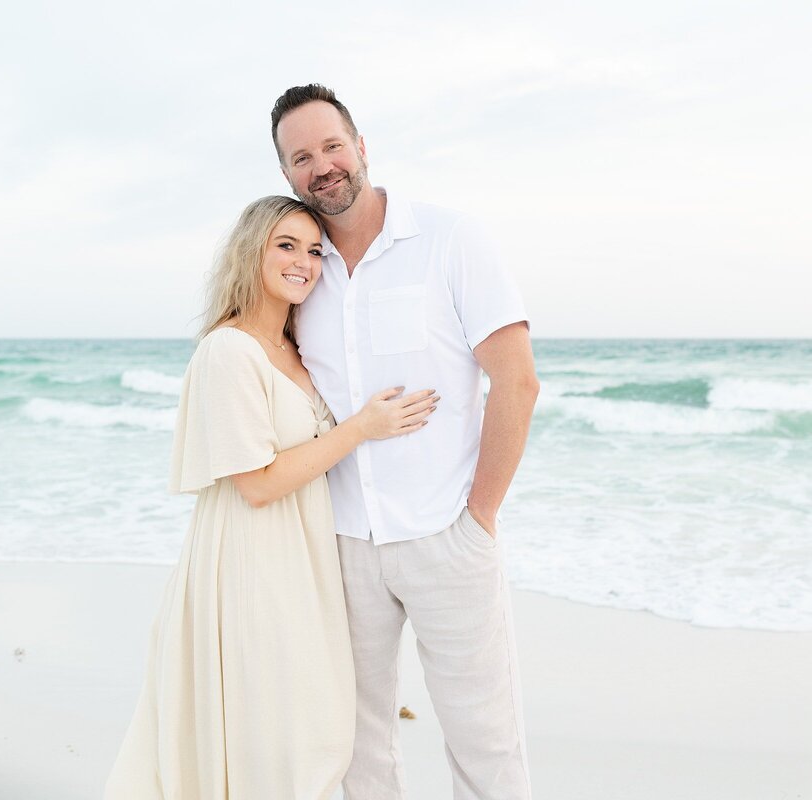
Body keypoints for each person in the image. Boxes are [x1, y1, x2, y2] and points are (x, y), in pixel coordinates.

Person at [103, 195, 437, 800]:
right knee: (278, 736)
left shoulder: (296, 346)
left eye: (315, 251)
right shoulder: (228, 351)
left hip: (305, 562)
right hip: (251, 566)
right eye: (286, 246)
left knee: (314, 730)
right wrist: (361, 427)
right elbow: (255, 483)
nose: (304, 262)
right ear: (250, 251)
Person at [271, 84, 540, 800]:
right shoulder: (301, 274)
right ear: (288, 177)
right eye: (301, 158)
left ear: (361, 148)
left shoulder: (451, 240)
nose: (321, 166)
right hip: (344, 543)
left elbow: (516, 382)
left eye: (332, 146)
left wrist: (479, 520)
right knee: (358, 751)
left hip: (446, 533)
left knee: (485, 745)